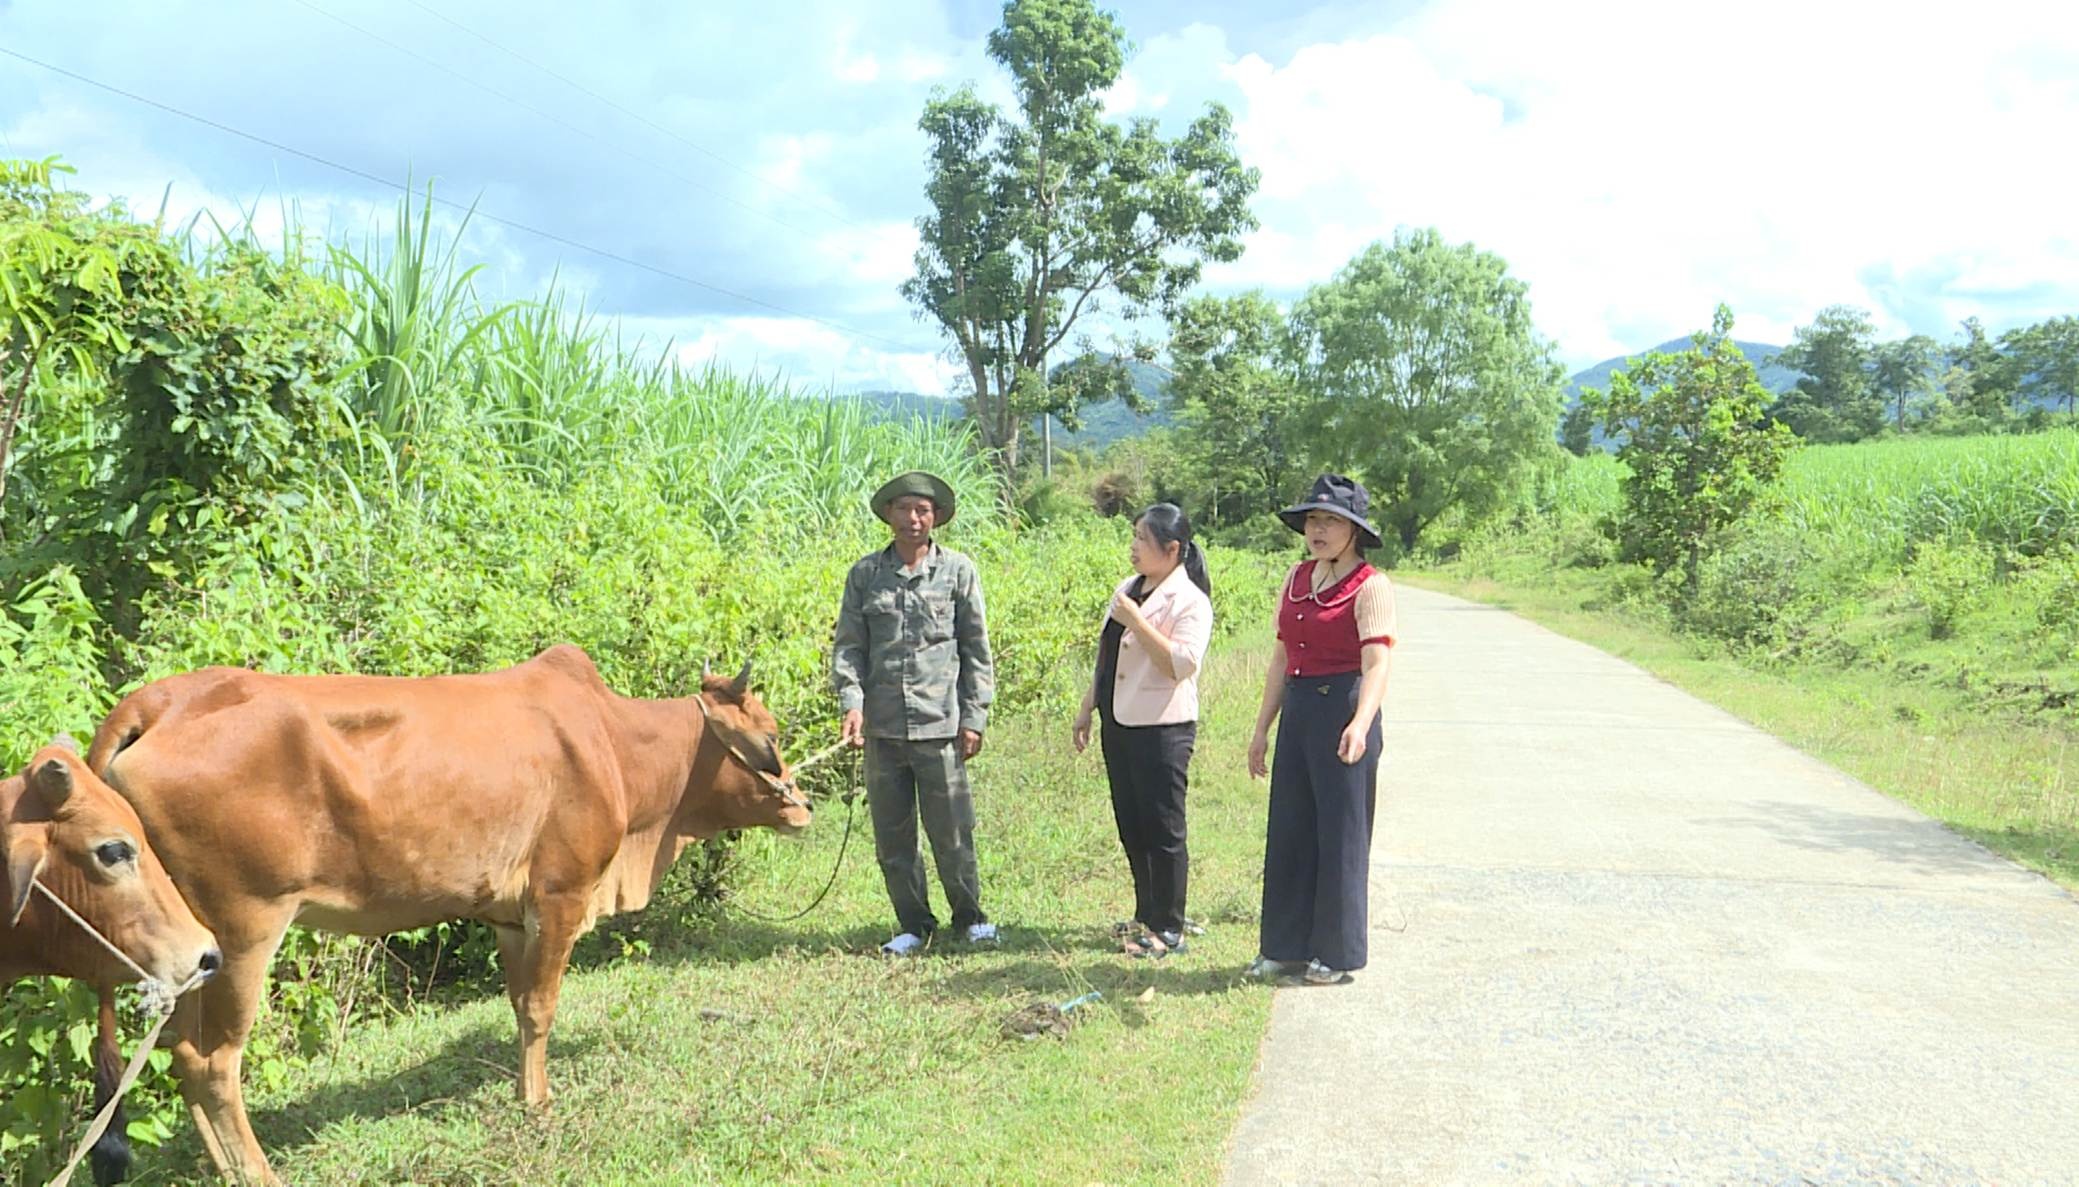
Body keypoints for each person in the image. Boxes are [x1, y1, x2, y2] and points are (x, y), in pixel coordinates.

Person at [833, 471, 998, 955]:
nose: (913, 518)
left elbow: (976, 650)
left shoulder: (958, 571)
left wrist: (974, 716)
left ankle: (970, 918)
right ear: (889, 514)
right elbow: (848, 649)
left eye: (923, 510)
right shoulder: (865, 575)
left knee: (952, 832)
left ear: (936, 518)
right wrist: (852, 704)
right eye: (904, 508)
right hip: (882, 731)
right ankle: (913, 925)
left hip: (940, 726)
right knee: (893, 837)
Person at [1245, 474, 1397, 986]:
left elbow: (1377, 663)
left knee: (1341, 836)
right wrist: (1263, 726)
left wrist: (1361, 723)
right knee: (1290, 830)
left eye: (1331, 520)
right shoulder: (1295, 578)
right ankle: (1283, 947)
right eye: (1313, 519)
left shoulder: (1371, 586)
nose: (1319, 529)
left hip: (1345, 712)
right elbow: (1282, 655)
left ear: (1354, 530)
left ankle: (1336, 952)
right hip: (1300, 710)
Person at [1072, 504, 1214, 958]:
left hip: (1163, 727)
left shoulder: (1190, 601)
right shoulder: (1127, 589)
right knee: (1131, 823)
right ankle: (1146, 913)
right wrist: (1086, 708)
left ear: (1171, 549)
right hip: (1119, 720)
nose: (1133, 547)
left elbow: (1180, 665)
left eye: (1142, 539)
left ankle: (1169, 928)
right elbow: (1106, 655)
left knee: (1164, 828)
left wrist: (1137, 620)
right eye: (1132, 536)